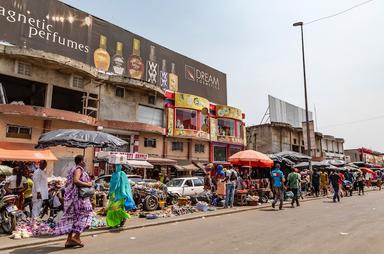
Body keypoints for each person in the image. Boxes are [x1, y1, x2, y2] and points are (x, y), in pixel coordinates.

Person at [54, 155, 93, 248]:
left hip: (72, 198)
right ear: (80, 161)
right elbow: (76, 181)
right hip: (78, 199)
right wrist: (88, 184)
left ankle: (69, 240)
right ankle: (77, 237)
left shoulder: (72, 169)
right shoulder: (78, 169)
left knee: (73, 219)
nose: (85, 162)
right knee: (87, 215)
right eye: (84, 161)